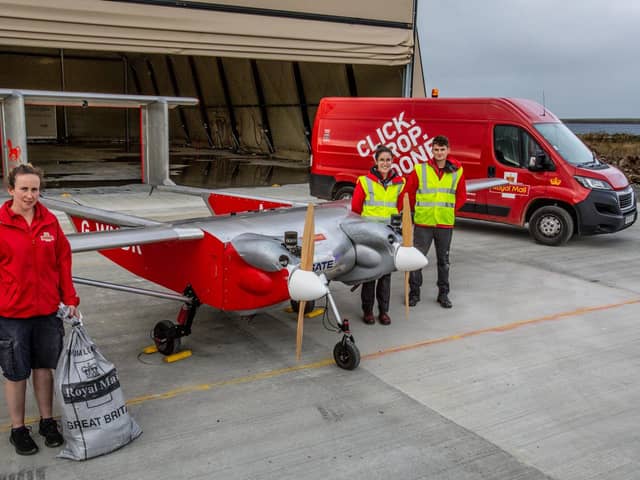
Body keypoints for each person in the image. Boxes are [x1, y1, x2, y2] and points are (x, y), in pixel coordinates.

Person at [0, 163, 79, 455]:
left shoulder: (49, 222)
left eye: (35, 189)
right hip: (12, 315)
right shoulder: (1, 223)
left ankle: (47, 422)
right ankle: (18, 429)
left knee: (44, 368)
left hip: (46, 311)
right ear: (11, 190)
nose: (30, 195)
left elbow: (63, 261)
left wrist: (70, 299)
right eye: (24, 189)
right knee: (16, 373)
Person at [405, 135, 466, 309]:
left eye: (442, 149)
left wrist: (448, 211)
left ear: (448, 150)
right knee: (416, 261)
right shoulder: (420, 169)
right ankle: (414, 293)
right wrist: (404, 213)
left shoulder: (457, 171)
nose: (439, 153)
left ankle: (443, 294)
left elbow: (461, 196)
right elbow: (408, 193)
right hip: (423, 223)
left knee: (444, 261)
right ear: (431, 151)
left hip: (444, 224)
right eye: (436, 149)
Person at [351, 145, 406, 325]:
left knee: (385, 275)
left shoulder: (400, 183)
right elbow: (356, 210)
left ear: (392, 162)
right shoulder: (364, 181)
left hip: (389, 235)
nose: (385, 163)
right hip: (369, 236)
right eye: (381, 160)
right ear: (375, 161)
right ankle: (368, 311)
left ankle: (383, 311)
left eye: (388, 160)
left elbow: (401, 208)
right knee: (370, 274)